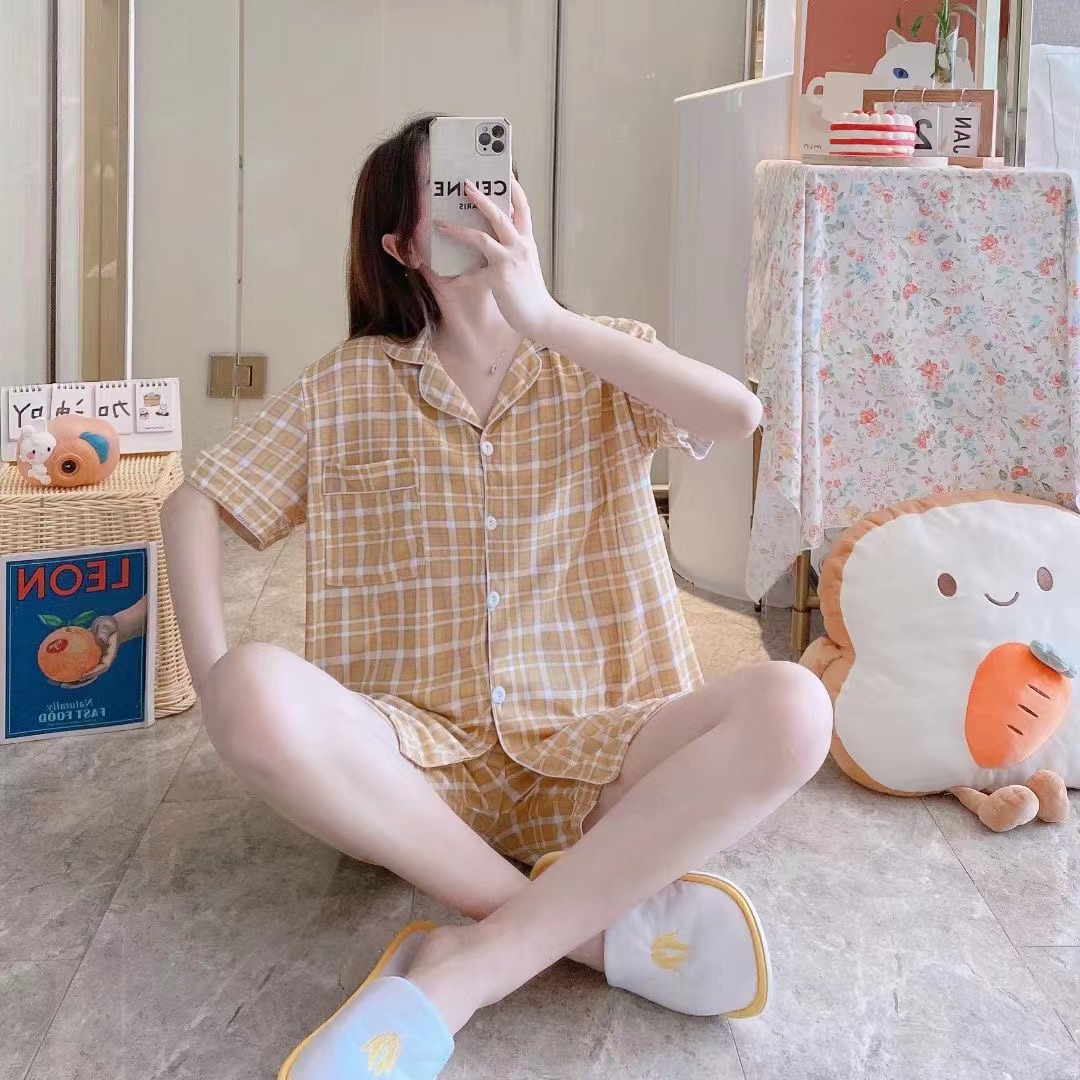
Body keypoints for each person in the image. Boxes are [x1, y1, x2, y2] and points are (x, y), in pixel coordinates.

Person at [162, 114, 832, 1079]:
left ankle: (468, 966)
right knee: (249, 688)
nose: (478, 209)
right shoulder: (346, 386)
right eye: (449, 195)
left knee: (796, 706)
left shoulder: (602, 354)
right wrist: (212, 681)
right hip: (416, 768)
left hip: (603, 752)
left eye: (492, 186)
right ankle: (588, 936)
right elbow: (196, 502)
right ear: (402, 248)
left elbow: (737, 414)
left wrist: (547, 318)